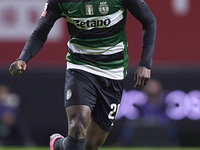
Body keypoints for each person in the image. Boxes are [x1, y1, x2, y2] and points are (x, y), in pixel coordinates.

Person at [9, 0, 156, 149]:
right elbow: (41, 31)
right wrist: (23, 58)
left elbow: (149, 21)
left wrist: (145, 64)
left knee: (90, 145)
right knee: (78, 123)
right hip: (80, 66)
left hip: (113, 72)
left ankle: (59, 145)